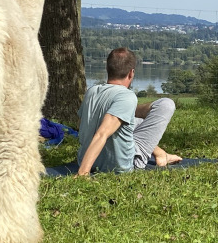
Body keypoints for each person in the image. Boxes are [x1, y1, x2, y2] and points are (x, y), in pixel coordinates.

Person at [76, 47, 181, 176]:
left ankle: (161, 154)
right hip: (121, 165)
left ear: (107, 69)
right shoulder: (127, 96)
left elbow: (82, 126)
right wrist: (83, 172)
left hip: (84, 159)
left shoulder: (92, 91)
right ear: (131, 73)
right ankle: (161, 155)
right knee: (166, 104)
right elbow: (101, 134)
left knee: (133, 121)